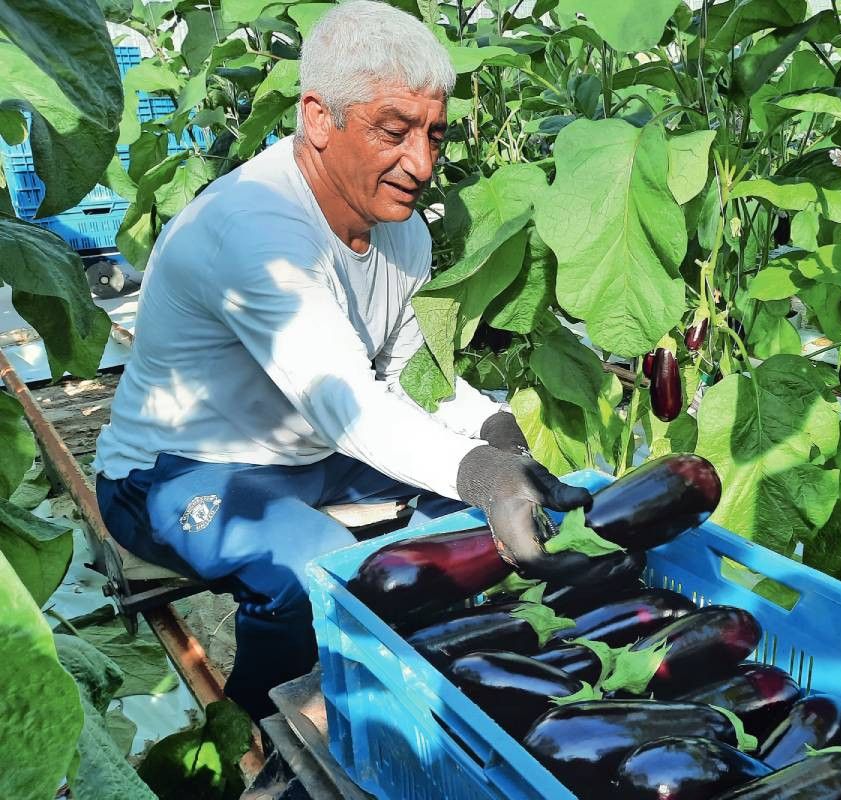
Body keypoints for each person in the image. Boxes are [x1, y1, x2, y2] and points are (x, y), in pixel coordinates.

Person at [93, 0, 592, 722]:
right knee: (311, 571)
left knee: (474, 514)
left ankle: (437, 686)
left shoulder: (403, 233)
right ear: (320, 118)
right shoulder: (256, 230)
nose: (420, 164)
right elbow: (346, 400)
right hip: (176, 469)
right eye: (395, 132)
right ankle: (260, 735)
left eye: (434, 135)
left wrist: (494, 432)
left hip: (313, 454)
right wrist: (479, 472)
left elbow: (412, 378)